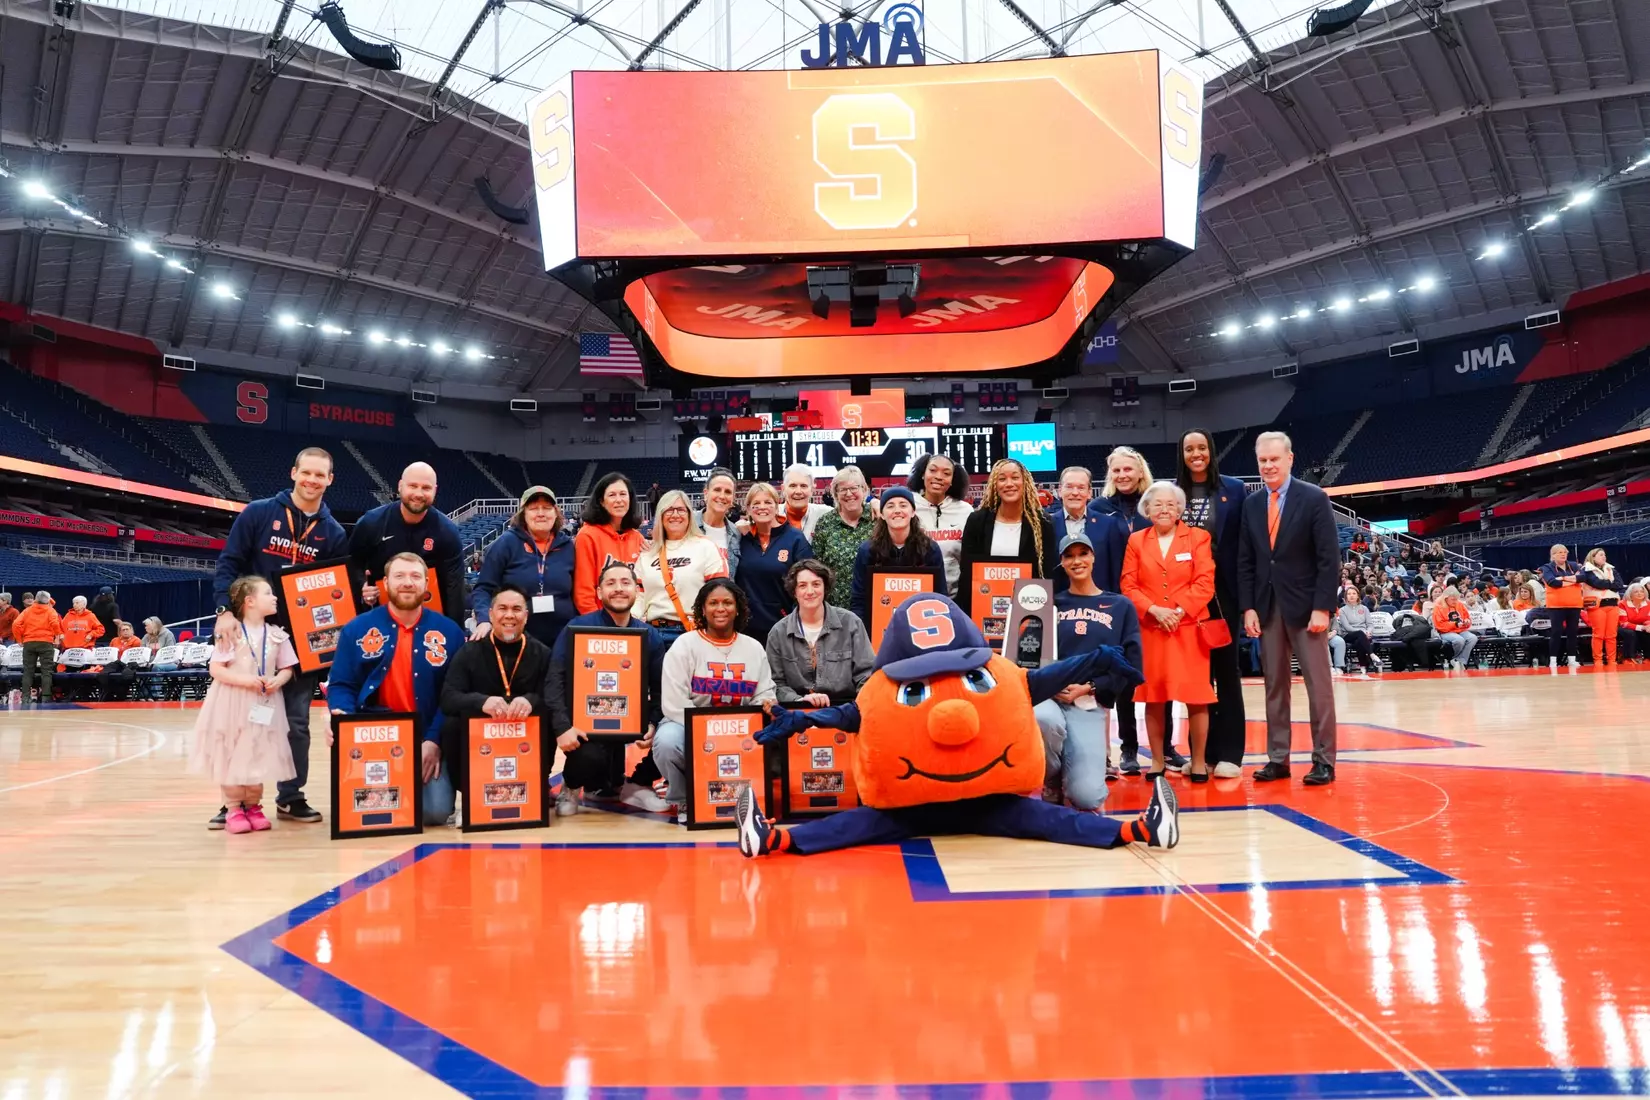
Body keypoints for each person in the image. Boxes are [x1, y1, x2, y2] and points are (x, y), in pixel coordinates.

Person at [734, 593, 1176, 857]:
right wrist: (801, 718)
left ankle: (1140, 829)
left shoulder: (891, 688)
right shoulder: (888, 691)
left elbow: (1041, 680)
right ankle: (770, 841)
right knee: (1047, 819)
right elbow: (848, 715)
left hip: (949, 802)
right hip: (944, 801)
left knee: (856, 824)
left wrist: (1097, 659)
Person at [211, 446, 347, 827]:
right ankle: (233, 802)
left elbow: (335, 592)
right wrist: (224, 611)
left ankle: (290, 797)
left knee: (296, 724)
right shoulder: (258, 513)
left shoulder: (333, 533)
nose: (312, 480)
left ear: (330, 480)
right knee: (239, 723)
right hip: (249, 637)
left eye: (321, 475)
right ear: (293, 472)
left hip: (302, 641)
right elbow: (229, 563)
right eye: (307, 472)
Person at [326, 552, 468, 827]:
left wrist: (434, 741)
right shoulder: (357, 628)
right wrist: (341, 715)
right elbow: (342, 683)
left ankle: (408, 786)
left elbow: (453, 696)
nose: (407, 583)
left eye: (415, 577)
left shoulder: (449, 632)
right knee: (373, 810)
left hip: (425, 737)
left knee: (435, 814)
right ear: (385, 583)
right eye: (399, 576)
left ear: (427, 585)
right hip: (375, 738)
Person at [1238, 431, 1340, 786]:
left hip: (1307, 606)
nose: (1268, 466)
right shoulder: (1251, 504)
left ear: (1289, 459)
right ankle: (1278, 759)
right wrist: (1247, 607)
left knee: (1319, 686)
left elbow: (1329, 559)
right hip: (1267, 608)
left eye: (1274, 460)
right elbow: (1246, 560)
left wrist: (1323, 606)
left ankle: (1324, 760)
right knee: (1274, 686)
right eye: (1262, 461)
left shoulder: (1314, 499)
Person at [546, 563, 669, 816]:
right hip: (586, 723)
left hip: (632, 718)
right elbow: (554, 679)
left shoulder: (651, 635)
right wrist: (562, 727)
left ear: (636, 589)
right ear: (599, 592)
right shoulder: (576, 628)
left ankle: (637, 783)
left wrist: (654, 723)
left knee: (676, 730)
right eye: (610, 583)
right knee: (592, 759)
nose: (619, 589)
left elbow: (660, 689)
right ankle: (571, 786)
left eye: (625, 582)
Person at [653, 578, 777, 823]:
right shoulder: (684, 645)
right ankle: (684, 799)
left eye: (727, 602)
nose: (721, 608)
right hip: (691, 726)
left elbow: (765, 692)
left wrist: (767, 703)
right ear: (702, 609)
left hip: (741, 728)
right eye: (713, 603)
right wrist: (710, 730)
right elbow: (674, 703)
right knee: (667, 742)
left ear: (738, 608)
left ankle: (750, 795)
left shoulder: (753, 648)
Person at [1035, 534, 1143, 806]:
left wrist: (1092, 686)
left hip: (1088, 701)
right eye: (1069, 555)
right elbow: (1032, 654)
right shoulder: (1050, 603)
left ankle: (1072, 775)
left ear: (1093, 557)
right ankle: (1051, 777)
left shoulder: (1120, 606)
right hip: (1050, 697)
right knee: (1043, 721)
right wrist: (1049, 682)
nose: (1077, 560)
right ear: (1062, 563)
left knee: (1088, 798)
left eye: (1083, 553)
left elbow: (1131, 664)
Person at [1121, 482, 1216, 782]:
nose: (1164, 509)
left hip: (1189, 627)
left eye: (1170, 504)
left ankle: (1198, 761)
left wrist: (1177, 610)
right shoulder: (1136, 540)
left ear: (1180, 509)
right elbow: (1128, 584)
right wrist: (1153, 610)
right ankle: (1158, 762)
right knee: (1153, 695)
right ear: (1146, 510)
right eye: (1157, 504)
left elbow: (1204, 583)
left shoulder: (1198, 538)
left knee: (1196, 696)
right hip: (1151, 628)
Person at [188, 576, 298, 835]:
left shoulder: (277, 635)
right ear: (249, 601)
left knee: (257, 752)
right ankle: (234, 807)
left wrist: (277, 680)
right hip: (232, 702)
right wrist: (245, 680)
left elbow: (288, 668)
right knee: (231, 752)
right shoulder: (232, 633)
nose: (275, 598)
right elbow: (216, 669)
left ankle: (254, 806)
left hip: (263, 702)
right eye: (268, 593)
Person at [1174, 429, 1249, 778]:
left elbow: (1243, 546)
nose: (1196, 454)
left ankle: (1231, 753)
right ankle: (1201, 754)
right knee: (1196, 677)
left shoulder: (1234, 490)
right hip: (1186, 598)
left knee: (1227, 672)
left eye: (1202, 447)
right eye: (1189, 449)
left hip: (1224, 596)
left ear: (1211, 451)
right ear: (1182, 454)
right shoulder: (1173, 494)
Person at [439, 582, 551, 810]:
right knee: (451, 725)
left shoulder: (542, 653)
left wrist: (530, 700)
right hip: (482, 737)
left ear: (526, 616)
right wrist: (481, 702)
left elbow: (553, 697)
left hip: (524, 734)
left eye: (517, 609)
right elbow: (449, 698)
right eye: (502, 608)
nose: (509, 615)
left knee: (551, 719)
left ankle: (539, 781)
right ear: (490, 614)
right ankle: (469, 792)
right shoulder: (469, 651)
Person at [349, 461, 467, 619]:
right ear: (400, 486)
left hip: (427, 616)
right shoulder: (371, 523)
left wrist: (456, 635)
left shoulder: (447, 532)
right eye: (413, 486)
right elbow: (351, 564)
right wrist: (362, 584)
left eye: (426, 488)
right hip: (377, 615)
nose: (419, 494)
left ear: (435, 490)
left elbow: (454, 590)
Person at [470, 486, 576, 649]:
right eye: (534, 508)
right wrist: (484, 619)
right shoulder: (506, 543)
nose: (541, 513)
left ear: (556, 513)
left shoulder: (568, 546)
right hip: (517, 641)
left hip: (563, 641)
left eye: (547, 508)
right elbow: (483, 588)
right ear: (523, 514)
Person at [957, 458, 1058, 619]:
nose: (1009, 483)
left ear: (1025, 482)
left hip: (1028, 609)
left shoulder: (1042, 522)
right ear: (994, 486)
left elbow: (1047, 572)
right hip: (983, 606)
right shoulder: (977, 521)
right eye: (1002, 479)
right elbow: (968, 572)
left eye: (1015, 477)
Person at [767, 559, 875, 706]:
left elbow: (867, 676)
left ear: (825, 588)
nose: (810, 591)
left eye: (816, 584)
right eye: (802, 586)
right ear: (794, 591)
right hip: (797, 711)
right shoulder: (778, 632)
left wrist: (858, 707)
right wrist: (799, 700)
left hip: (845, 709)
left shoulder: (851, 623)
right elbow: (775, 684)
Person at [634, 489, 728, 645]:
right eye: (669, 510)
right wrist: (631, 622)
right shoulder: (647, 554)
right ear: (660, 516)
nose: (675, 514)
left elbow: (718, 592)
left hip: (693, 632)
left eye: (681, 510)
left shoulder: (706, 546)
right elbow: (639, 596)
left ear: (690, 515)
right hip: (652, 634)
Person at [850, 488, 948, 628]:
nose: (897, 510)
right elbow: (859, 599)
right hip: (878, 629)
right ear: (882, 514)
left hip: (921, 627)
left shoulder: (930, 549)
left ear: (913, 512)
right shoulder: (868, 550)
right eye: (890, 506)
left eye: (903, 505)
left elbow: (940, 596)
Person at [735, 482, 813, 642]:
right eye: (756, 503)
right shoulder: (740, 538)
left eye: (768, 502)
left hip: (784, 629)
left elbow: (807, 582)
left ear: (777, 507)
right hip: (746, 630)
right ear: (748, 509)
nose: (762, 507)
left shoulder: (795, 539)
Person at [573, 472, 646, 614]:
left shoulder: (637, 538)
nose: (619, 500)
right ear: (601, 501)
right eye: (612, 495)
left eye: (623, 494)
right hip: (600, 622)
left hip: (634, 622)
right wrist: (597, 626)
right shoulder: (588, 535)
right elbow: (583, 592)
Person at [907, 453, 973, 596]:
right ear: (922, 474)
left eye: (946, 473)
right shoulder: (907, 505)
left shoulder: (966, 511)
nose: (938, 476)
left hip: (955, 597)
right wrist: (874, 503)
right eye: (933, 470)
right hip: (915, 595)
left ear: (952, 480)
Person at [809, 467, 875, 608]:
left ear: (864, 489)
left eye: (854, 488)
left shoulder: (878, 518)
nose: (849, 493)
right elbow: (816, 565)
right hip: (834, 606)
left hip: (873, 602)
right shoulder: (825, 522)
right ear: (835, 494)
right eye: (843, 489)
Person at [1045, 466, 1116, 592]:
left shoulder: (1108, 525)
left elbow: (1115, 571)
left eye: (1081, 487)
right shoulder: (1045, 525)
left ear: (1089, 492)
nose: (1075, 492)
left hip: (1100, 605)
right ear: (1060, 490)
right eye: (1069, 487)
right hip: (1058, 602)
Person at [1538, 544, 1583, 669]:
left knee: (1572, 632)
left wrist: (1562, 578)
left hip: (1574, 604)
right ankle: (1553, 660)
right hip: (1556, 605)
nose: (1563, 554)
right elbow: (1552, 582)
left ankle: (1572, 659)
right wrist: (1572, 581)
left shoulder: (1574, 565)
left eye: (1565, 552)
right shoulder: (1547, 567)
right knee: (1556, 632)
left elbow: (1583, 577)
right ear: (1553, 555)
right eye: (1559, 552)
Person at [13, 591, 62, 705]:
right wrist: (57, 637)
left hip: (29, 642)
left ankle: (25, 698)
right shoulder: (50, 610)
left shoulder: (27, 610)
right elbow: (55, 623)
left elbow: (16, 624)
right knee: (46, 672)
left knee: (28, 672)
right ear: (48, 600)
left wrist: (20, 639)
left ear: (35, 599)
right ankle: (45, 698)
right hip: (45, 642)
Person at [694, 468, 742, 578]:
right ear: (706, 493)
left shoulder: (737, 533)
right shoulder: (687, 524)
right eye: (717, 490)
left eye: (728, 492)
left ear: (733, 498)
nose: (722, 496)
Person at [1581, 547, 1624, 668]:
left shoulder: (1611, 569)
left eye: (1604, 555)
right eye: (1600, 555)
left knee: (1612, 635)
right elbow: (1596, 583)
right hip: (1597, 606)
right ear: (1593, 557)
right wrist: (1610, 584)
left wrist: (1606, 584)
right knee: (1598, 634)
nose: (1604, 557)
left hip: (1613, 605)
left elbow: (1619, 585)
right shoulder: (1586, 570)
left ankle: (1612, 660)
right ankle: (1598, 660)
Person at [1330, 587, 1380, 673]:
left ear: (1358, 596)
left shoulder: (1364, 608)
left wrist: (1368, 631)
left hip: (1363, 635)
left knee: (1359, 641)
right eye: (1349, 594)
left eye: (1353, 593)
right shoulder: (1342, 610)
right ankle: (1372, 655)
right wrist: (1363, 632)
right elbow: (1347, 627)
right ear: (1345, 597)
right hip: (1348, 634)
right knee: (1360, 635)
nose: (1351, 596)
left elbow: (1370, 624)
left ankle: (1363, 667)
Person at [778, 463, 832, 540]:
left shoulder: (826, 514)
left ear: (812, 489)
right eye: (792, 486)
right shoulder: (772, 514)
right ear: (783, 489)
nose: (798, 491)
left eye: (803, 486)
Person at [1431, 587, 1478, 670]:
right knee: (1459, 640)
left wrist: (1467, 621)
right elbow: (1439, 625)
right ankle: (1454, 659)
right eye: (1452, 599)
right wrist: (1455, 624)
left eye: (1456, 599)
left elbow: (1467, 618)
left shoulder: (1460, 604)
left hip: (1461, 630)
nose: (1455, 601)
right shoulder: (1438, 607)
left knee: (1473, 638)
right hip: (1445, 632)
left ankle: (1459, 660)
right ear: (1446, 598)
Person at [97, 621, 144, 701]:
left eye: (127, 629)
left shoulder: (136, 641)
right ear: (120, 632)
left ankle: (121, 694)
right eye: (123, 630)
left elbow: (136, 656)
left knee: (123, 674)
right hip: (116, 664)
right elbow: (109, 653)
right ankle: (108, 694)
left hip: (129, 665)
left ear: (131, 630)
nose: (125, 631)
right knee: (105, 673)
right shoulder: (114, 640)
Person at [1618, 583, 1649, 662]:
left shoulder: (1648, 604)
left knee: (1648, 632)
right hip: (1621, 627)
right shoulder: (1622, 604)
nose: (1639, 594)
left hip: (1640, 626)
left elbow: (1648, 619)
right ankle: (1628, 658)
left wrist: (1648, 626)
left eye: (1642, 591)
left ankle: (1647, 658)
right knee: (1630, 633)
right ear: (1630, 594)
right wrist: (1641, 627)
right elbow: (1623, 623)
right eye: (1636, 592)